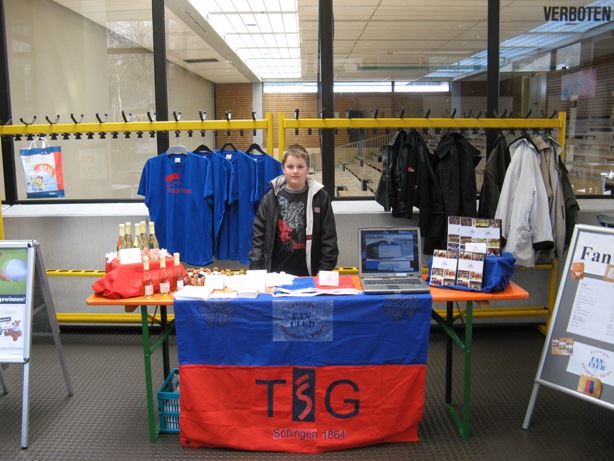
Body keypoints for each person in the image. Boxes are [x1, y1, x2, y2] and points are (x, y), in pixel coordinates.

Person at [249, 144, 339, 276]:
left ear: (308, 168)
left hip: (310, 274)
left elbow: (329, 237)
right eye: (290, 167)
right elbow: (259, 235)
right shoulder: (271, 197)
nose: (295, 171)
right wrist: (256, 267)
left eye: (300, 167)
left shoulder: (320, 197)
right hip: (276, 274)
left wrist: (325, 270)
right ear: (283, 168)